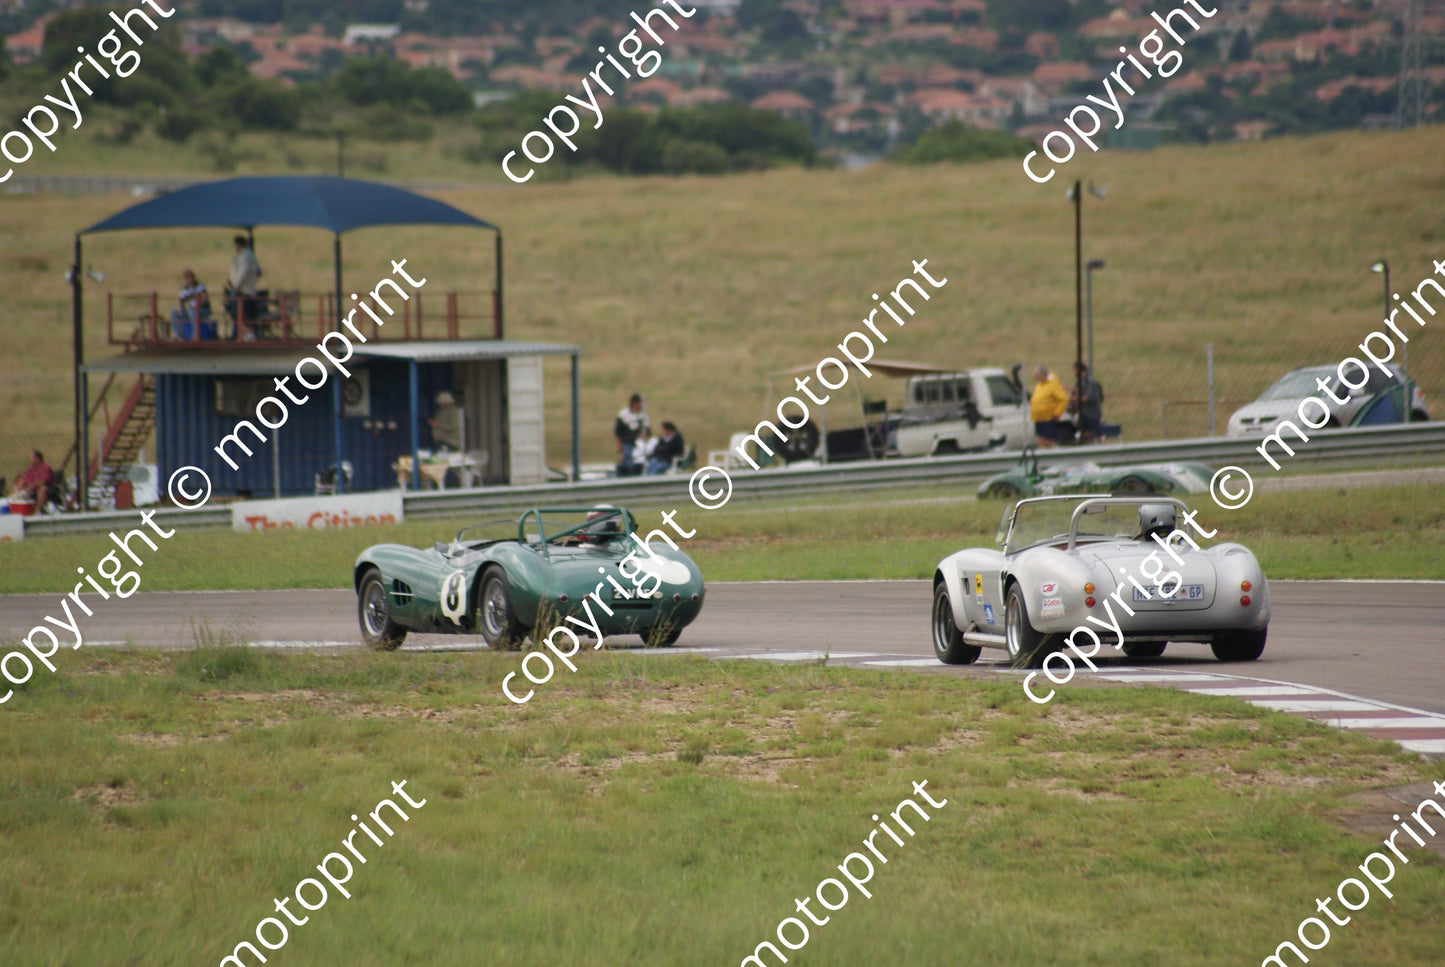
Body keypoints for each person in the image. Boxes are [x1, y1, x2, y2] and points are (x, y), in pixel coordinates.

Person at [226, 234, 262, 340]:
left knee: (239, 313)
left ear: (238, 245)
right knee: (242, 313)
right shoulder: (244, 255)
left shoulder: (246, 256)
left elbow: (243, 272)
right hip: (243, 288)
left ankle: (249, 333)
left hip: (243, 290)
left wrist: (237, 286)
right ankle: (242, 333)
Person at [1029, 365, 1069, 448]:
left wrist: (1057, 413)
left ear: (1043, 375)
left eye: (1037, 375)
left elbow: (1063, 399)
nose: (1035, 378)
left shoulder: (1052, 385)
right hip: (1038, 417)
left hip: (1047, 418)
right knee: (1040, 440)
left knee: (1048, 441)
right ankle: (1042, 457)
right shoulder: (1039, 385)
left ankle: (1057, 454)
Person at [168, 269, 212, 339]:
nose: (190, 280)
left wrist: (196, 306)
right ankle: (178, 334)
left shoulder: (200, 287)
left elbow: (203, 299)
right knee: (174, 312)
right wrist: (180, 309)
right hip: (191, 310)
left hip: (203, 310)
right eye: (188, 278)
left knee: (192, 311)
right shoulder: (184, 289)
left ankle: (196, 335)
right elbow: (181, 301)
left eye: (191, 277)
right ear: (185, 279)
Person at [614, 393, 650, 477]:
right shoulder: (623, 414)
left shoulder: (643, 415)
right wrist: (618, 445)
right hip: (627, 443)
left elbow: (647, 431)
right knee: (629, 461)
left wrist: (644, 437)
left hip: (640, 444)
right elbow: (617, 432)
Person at [1071, 361, 1106, 444]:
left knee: (1089, 434)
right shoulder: (1082, 381)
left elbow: (1089, 397)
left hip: (1090, 414)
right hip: (1084, 414)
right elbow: (1079, 390)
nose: (1074, 373)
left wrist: (1072, 399)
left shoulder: (1090, 382)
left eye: (1075, 370)